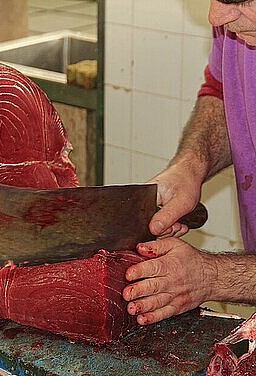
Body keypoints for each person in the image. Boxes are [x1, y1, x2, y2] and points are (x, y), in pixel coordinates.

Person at [123, 0, 256, 326]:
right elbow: (226, 90)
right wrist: (191, 166)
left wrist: (212, 276)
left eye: (241, 0)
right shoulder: (237, 21)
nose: (217, 16)